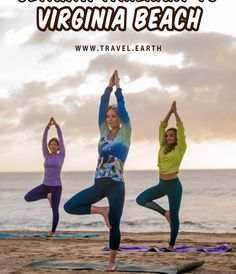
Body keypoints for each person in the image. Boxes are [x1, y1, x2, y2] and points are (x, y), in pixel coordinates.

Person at [64, 71, 131, 271]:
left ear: (119, 118)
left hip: (116, 186)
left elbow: (124, 109)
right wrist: (107, 87)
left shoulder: (126, 132)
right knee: (69, 206)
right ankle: (102, 210)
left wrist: (118, 88)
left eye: (113, 116)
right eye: (108, 116)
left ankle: (112, 261)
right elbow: (102, 104)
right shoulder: (103, 132)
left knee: (115, 226)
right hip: (99, 183)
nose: (110, 119)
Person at [136, 101, 186, 249]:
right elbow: (162, 126)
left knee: (175, 217)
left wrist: (175, 113)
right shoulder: (163, 146)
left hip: (174, 186)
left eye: (172, 135)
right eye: (167, 135)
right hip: (162, 185)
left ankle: (171, 245)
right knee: (141, 199)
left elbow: (181, 128)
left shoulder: (180, 148)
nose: (168, 137)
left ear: (176, 138)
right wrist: (169, 112)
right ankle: (165, 213)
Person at [24, 117, 65, 236]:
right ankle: (47, 196)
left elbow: (61, 138)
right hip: (45, 185)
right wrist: (47, 128)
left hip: (56, 187)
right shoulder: (46, 155)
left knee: (55, 210)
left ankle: (52, 232)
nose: (52, 146)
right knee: (28, 197)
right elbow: (43, 141)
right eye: (51, 144)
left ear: (58, 147)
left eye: (55, 145)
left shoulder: (61, 156)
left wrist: (56, 126)